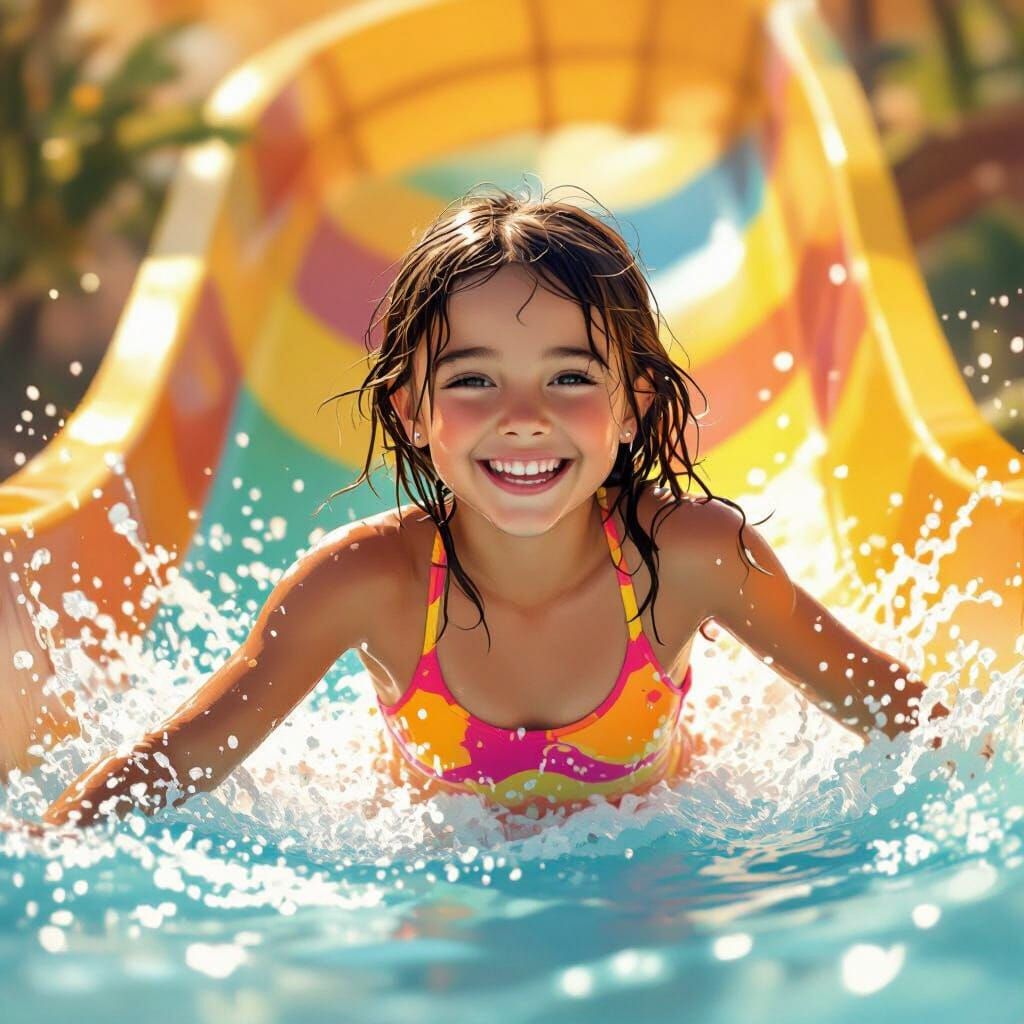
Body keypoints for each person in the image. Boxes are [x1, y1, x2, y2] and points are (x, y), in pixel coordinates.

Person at [42, 185, 953, 830]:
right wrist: (41, 857)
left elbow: (901, 717)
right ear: (412, 408)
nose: (525, 419)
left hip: (658, 877)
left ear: (633, 403)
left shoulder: (693, 559)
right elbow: (172, 763)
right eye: (474, 379)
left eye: (569, 376)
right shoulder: (363, 588)